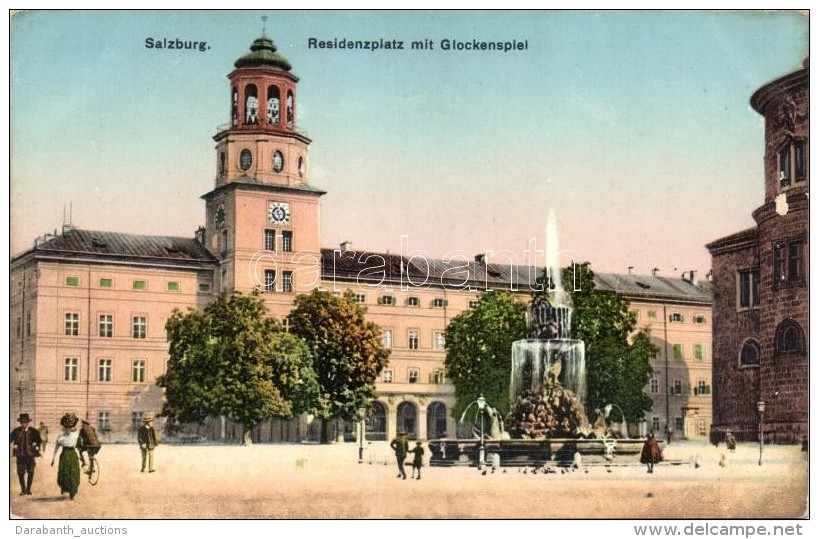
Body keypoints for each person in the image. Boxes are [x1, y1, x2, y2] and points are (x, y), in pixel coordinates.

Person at [9, 413, 42, 496]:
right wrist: (14, 444)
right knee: (20, 472)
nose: (24, 424)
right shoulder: (16, 431)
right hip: (20, 455)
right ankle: (23, 490)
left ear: (28, 422)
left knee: (31, 472)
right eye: (22, 422)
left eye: (25, 422)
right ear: (20, 423)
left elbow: (39, 441)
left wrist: (36, 445)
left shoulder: (34, 431)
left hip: (30, 455)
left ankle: (28, 489)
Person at [51, 413, 81, 500]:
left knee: (73, 473)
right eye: (66, 427)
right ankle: (64, 487)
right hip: (64, 455)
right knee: (63, 472)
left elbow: (79, 447)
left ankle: (73, 492)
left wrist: (82, 459)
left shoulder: (76, 435)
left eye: (69, 427)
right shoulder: (61, 437)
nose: (67, 429)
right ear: (64, 428)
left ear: (71, 428)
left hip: (72, 454)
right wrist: (53, 458)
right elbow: (56, 447)